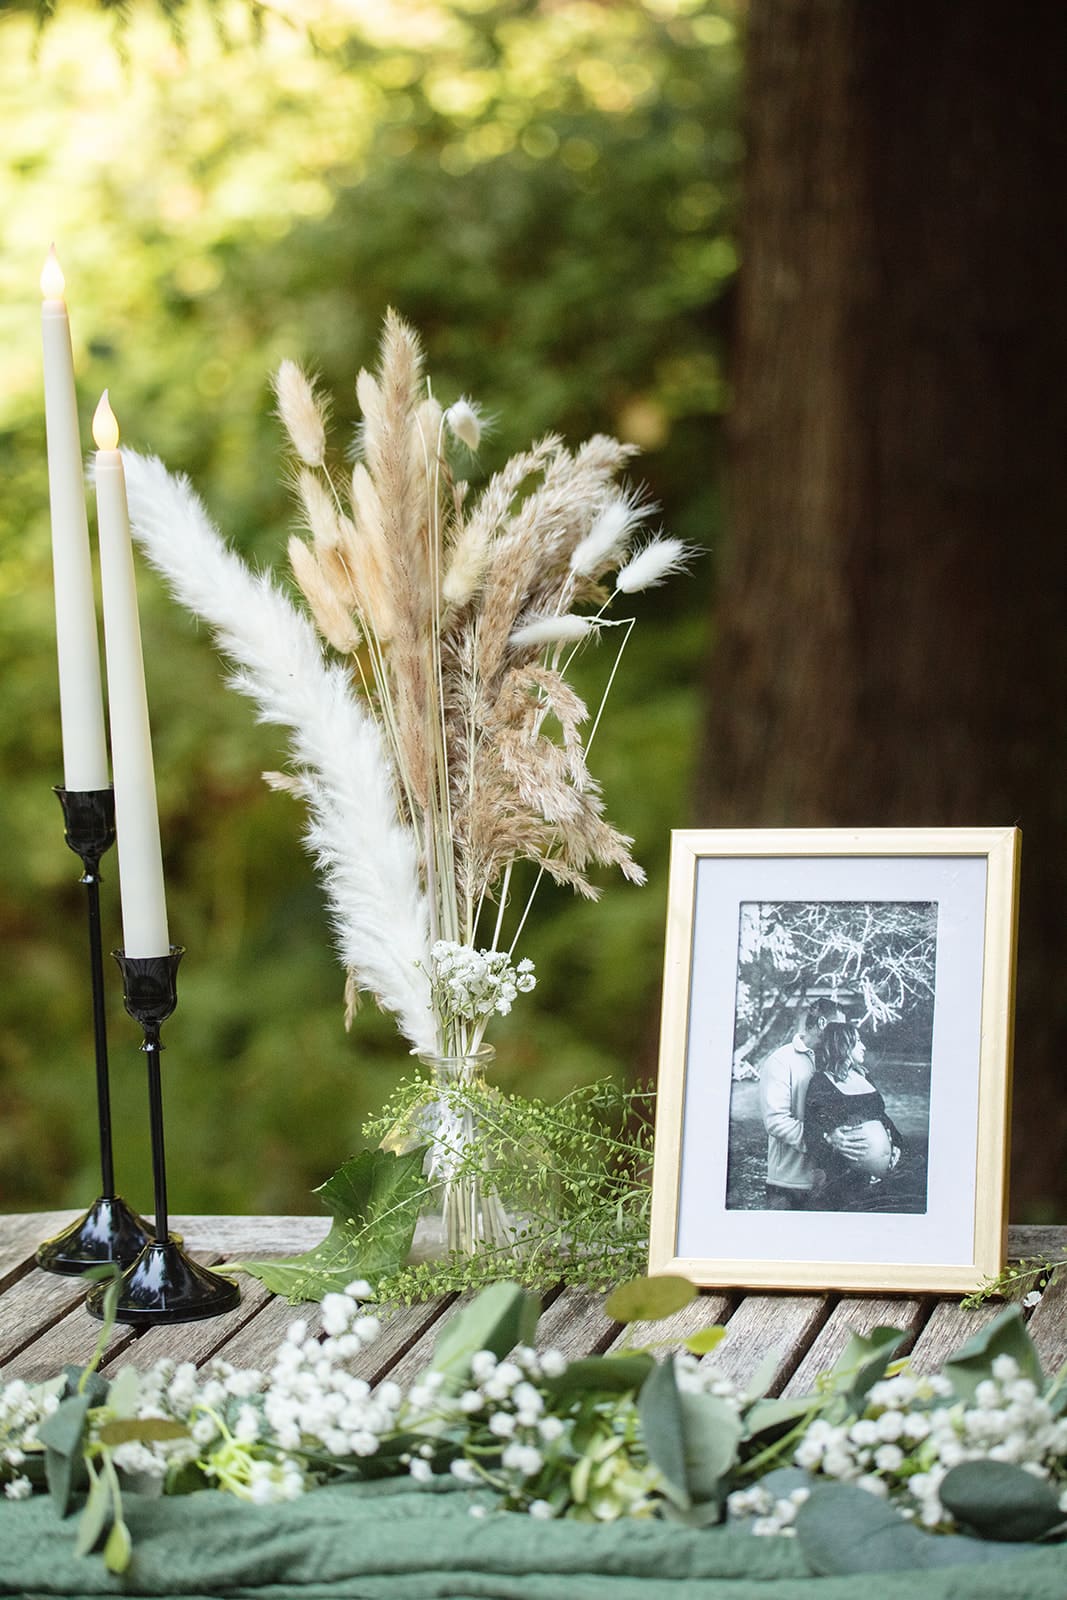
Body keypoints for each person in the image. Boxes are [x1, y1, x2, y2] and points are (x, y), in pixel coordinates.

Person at [804, 1021, 904, 1211]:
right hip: (845, 1175)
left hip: (883, 1175)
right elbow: (811, 1128)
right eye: (858, 1041)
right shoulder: (821, 1082)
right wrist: (828, 1139)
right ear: (843, 1045)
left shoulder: (864, 1076)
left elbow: (882, 1117)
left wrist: (896, 1146)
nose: (864, 1046)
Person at [758, 998, 845, 1209]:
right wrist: (823, 1140)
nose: (843, 1034)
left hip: (828, 1182)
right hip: (788, 1185)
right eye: (840, 1027)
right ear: (823, 1024)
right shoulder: (781, 1061)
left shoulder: (833, 1060)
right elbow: (776, 1121)